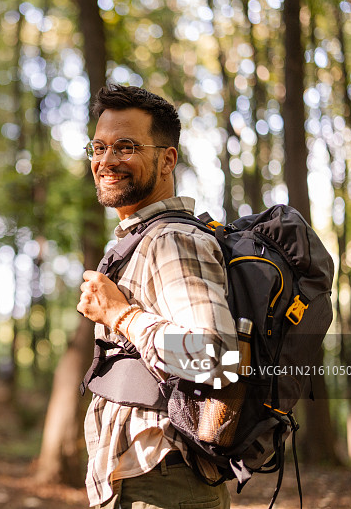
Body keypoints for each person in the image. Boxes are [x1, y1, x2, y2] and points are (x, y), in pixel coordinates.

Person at [76, 84, 237, 509]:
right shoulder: (142, 239)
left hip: (163, 485)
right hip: (143, 480)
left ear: (167, 159)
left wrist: (121, 316)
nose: (106, 161)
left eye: (126, 147)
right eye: (99, 147)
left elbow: (216, 361)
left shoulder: (173, 240)